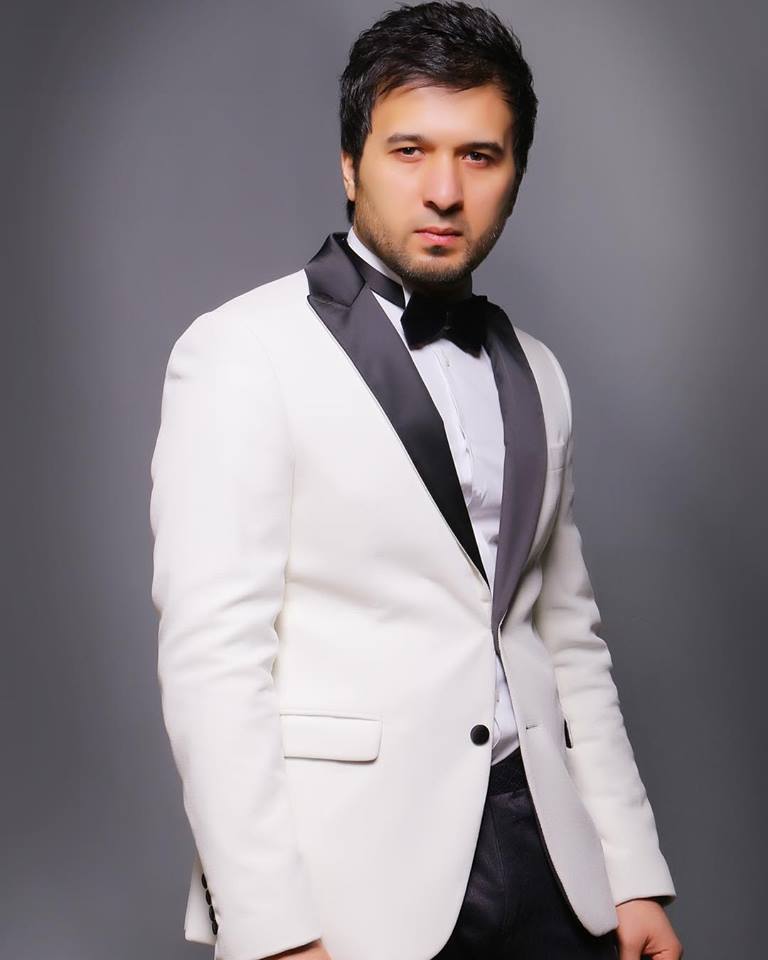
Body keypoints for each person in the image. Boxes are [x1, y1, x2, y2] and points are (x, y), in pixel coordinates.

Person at [149, 3, 684, 959]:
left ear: (515, 175)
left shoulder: (539, 371)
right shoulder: (239, 352)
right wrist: (272, 929)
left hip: (552, 857)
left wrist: (632, 872)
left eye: (480, 156)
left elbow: (567, 639)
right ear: (350, 165)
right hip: (353, 875)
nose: (444, 191)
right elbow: (213, 666)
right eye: (409, 151)